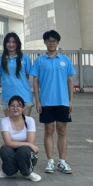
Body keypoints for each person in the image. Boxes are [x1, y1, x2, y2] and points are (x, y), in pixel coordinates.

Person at [30, 30, 75, 174]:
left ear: (58, 43)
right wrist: (38, 101)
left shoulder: (65, 60)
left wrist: (71, 101)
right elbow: (35, 81)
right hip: (46, 101)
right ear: (45, 42)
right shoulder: (40, 61)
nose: (51, 43)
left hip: (62, 101)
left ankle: (62, 161)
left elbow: (70, 80)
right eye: (48, 41)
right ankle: (50, 161)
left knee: (62, 130)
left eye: (54, 41)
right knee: (49, 130)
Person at [0, 95, 41, 182]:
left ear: (23, 108)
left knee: (23, 150)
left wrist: (11, 143)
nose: (15, 108)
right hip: (12, 150)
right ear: (8, 108)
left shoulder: (30, 120)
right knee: (5, 150)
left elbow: (30, 141)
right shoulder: (4, 121)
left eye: (18, 106)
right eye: (12, 106)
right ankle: (8, 172)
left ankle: (27, 173)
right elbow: (8, 142)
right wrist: (28, 144)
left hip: (25, 153)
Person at [0, 32, 33, 117]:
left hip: (24, 96)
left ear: (18, 44)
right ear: (5, 44)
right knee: (10, 124)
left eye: (13, 42)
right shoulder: (0, 59)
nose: (11, 44)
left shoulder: (25, 58)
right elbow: (0, 77)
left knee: (24, 123)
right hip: (7, 96)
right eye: (8, 42)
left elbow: (26, 76)